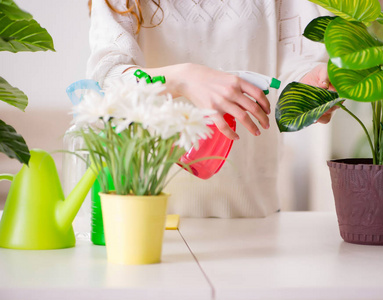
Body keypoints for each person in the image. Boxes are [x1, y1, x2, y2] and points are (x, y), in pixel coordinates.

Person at [87, 0, 334, 218]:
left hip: (253, 215)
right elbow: (106, 81)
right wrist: (182, 78)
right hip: (145, 215)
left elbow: (293, 64)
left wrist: (309, 86)